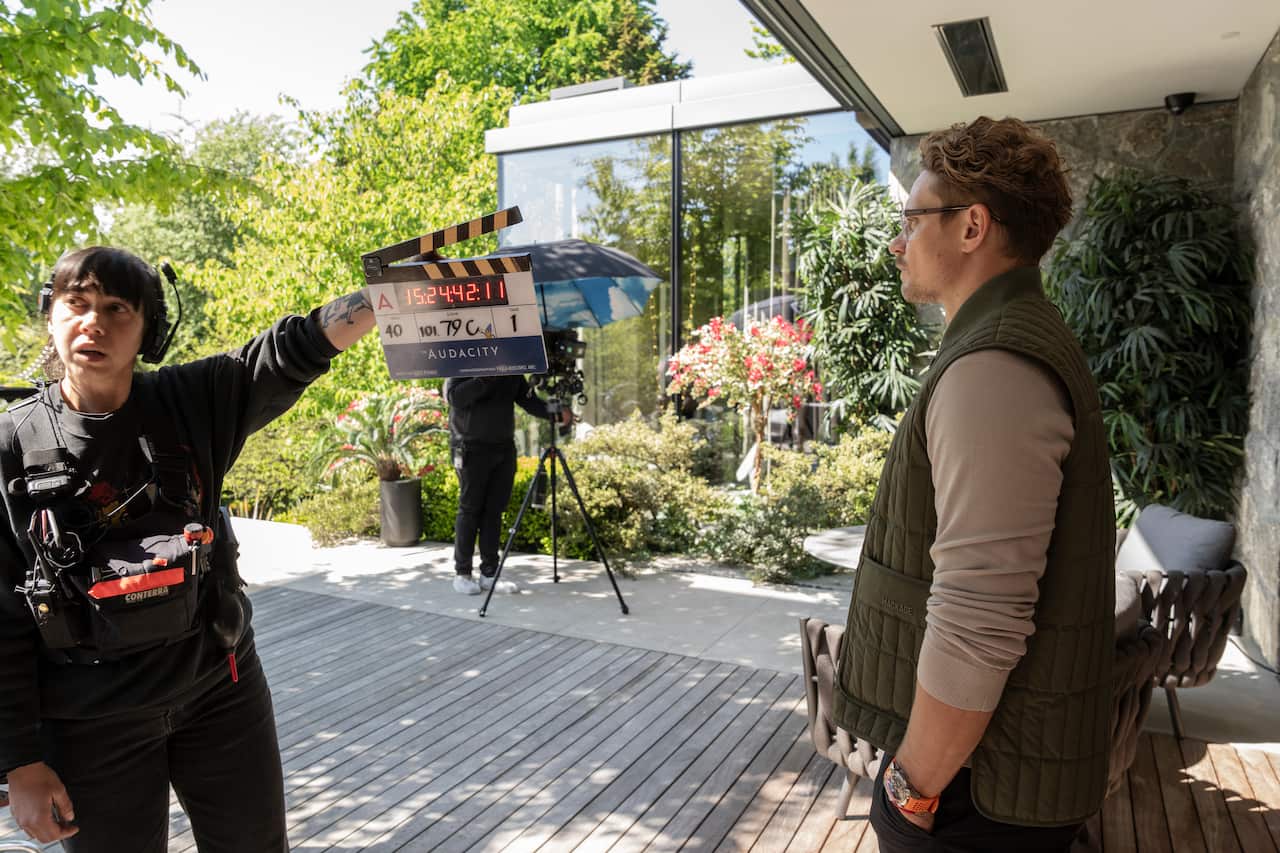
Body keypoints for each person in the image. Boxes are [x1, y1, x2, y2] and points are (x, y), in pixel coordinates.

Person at [0, 246, 377, 851]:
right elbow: (2, 619)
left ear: (149, 329)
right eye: (77, 303)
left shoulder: (190, 403)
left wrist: (388, 294)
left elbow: (293, 348)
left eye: (117, 308)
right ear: (51, 314)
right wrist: (20, 763)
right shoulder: (11, 447)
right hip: (91, 720)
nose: (93, 322)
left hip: (219, 692)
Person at [832, 117, 1115, 851]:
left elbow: (979, 614)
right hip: (991, 776)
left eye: (911, 218)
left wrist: (910, 788)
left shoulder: (995, 366)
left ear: (971, 228)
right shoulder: (1007, 341)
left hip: (976, 795)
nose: (898, 240)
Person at [444, 375, 570, 595]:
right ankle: (462, 573)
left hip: (503, 447)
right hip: (470, 447)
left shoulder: (510, 367)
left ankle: (489, 573)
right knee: (470, 509)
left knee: (494, 511)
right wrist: (485, 379)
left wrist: (557, 412)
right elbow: (455, 397)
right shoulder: (463, 360)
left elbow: (529, 400)